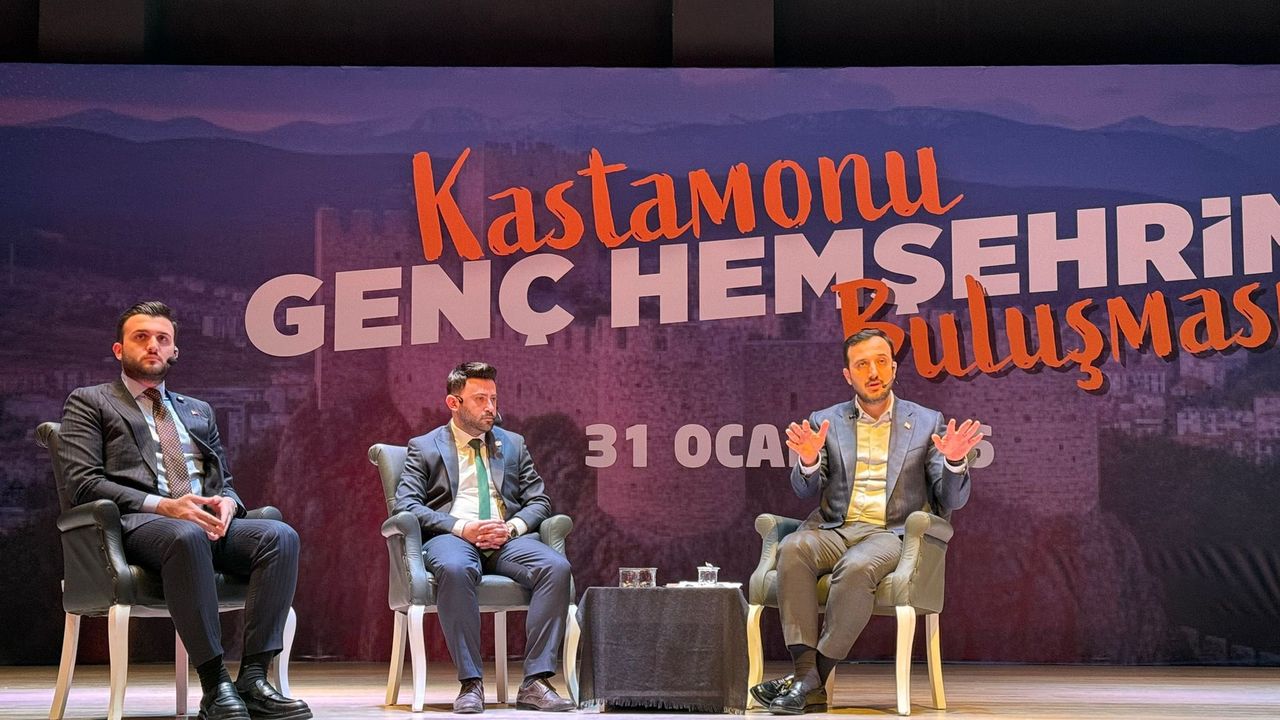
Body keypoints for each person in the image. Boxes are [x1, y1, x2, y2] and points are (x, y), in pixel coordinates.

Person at [58, 301, 310, 720]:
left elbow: (224, 480)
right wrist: (166, 506)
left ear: (174, 351)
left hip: (201, 522)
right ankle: (215, 686)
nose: (153, 346)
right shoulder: (90, 402)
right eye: (141, 337)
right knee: (185, 533)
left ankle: (253, 680)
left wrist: (228, 503)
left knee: (280, 536)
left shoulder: (198, 410)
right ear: (119, 349)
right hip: (139, 525)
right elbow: (82, 483)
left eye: (163, 339)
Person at [750, 328, 982, 715]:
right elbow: (805, 491)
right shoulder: (825, 420)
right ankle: (808, 681)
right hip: (835, 528)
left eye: (881, 362)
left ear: (893, 368)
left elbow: (951, 499)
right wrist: (808, 460)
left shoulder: (927, 422)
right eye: (862, 365)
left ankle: (805, 680)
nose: (873, 372)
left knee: (857, 567)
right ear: (848, 375)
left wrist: (955, 461)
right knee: (792, 548)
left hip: (891, 533)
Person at [393, 361, 575, 713]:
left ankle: (536, 682)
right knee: (456, 569)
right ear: (454, 403)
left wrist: (512, 527)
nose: (490, 407)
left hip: (507, 538)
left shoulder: (513, 444)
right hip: (453, 537)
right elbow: (407, 505)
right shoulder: (425, 447)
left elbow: (539, 500)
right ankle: (471, 683)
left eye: (493, 398)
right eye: (480, 399)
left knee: (556, 568)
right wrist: (462, 527)